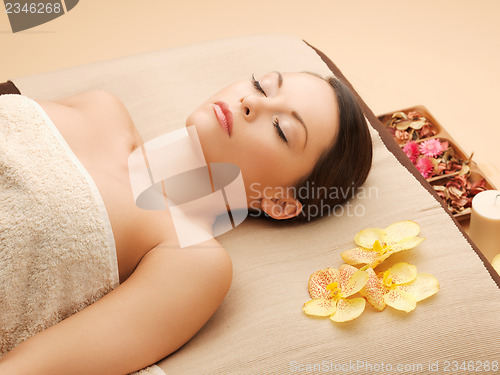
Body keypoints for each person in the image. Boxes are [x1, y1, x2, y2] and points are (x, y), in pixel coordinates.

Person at [0, 71, 372, 374]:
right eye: (261, 85)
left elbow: (26, 370)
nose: (251, 101)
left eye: (281, 129)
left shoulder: (191, 259)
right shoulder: (100, 106)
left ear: (279, 202)